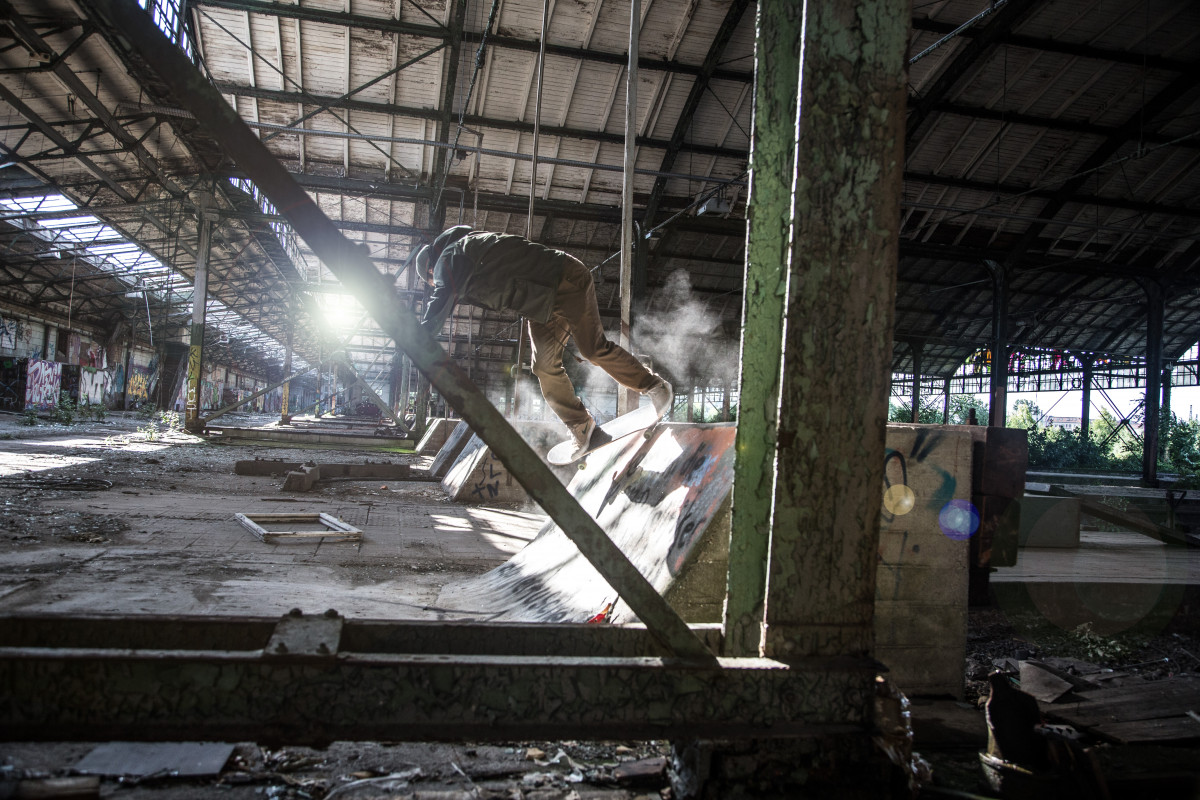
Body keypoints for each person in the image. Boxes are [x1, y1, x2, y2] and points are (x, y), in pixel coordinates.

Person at [415, 225, 672, 457]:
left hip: (565, 281)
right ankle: (582, 427)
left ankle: (655, 386)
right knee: (544, 367)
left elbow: (442, 294)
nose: (434, 282)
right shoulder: (468, 249)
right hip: (541, 306)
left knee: (592, 348)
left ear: (430, 268)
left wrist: (419, 336)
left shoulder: (450, 256)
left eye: (431, 280)